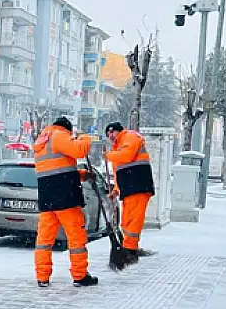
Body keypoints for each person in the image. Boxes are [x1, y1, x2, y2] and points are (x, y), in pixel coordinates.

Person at [33, 117, 99, 288]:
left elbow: (56, 169)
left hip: (48, 197)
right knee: (76, 236)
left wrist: (81, 174)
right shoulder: (58, 135)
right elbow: (78, 150)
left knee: (44, 239)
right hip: (65, 197)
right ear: (67, 129)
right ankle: (80, 276)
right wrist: (84, 137)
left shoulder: (43, 140)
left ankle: (42, 277)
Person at [104, 122, 156, 259]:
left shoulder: (130, 137)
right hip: (129, 187)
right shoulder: (118, 148)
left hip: (138, 185)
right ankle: (129, 245)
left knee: (133, 218)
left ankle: (130, 249)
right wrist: (116, 189)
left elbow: (127, 155)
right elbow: (119, 173)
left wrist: (108, 156)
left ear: (119, 131)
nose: (110, 136)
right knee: (127, 219)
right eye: (108, 134)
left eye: (111, 132)